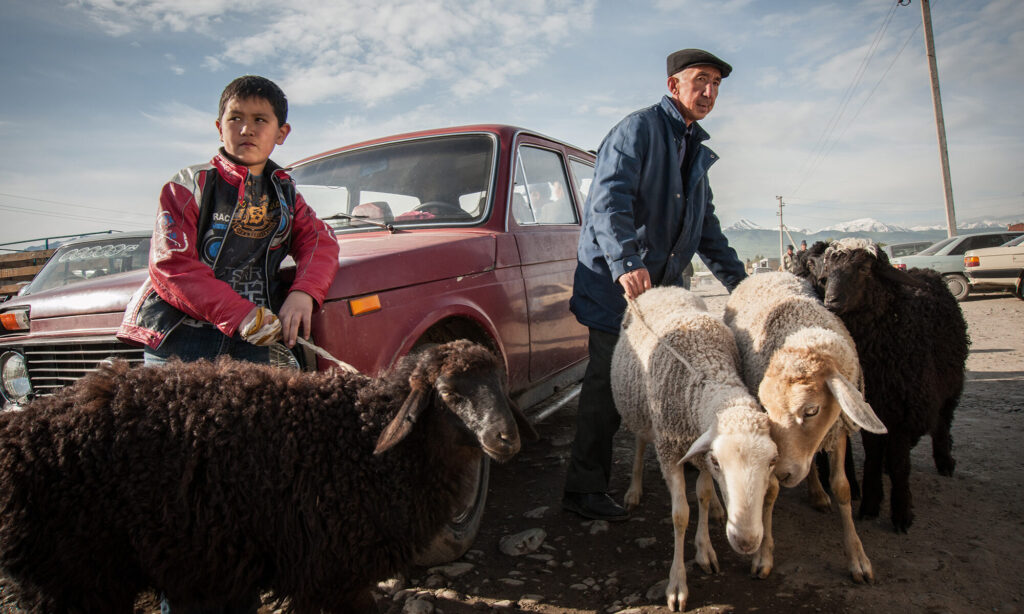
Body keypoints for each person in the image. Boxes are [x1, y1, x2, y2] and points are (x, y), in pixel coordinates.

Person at [117, 75, 340, 613]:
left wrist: (305, 294)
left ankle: (251, 582)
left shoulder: (287, 194)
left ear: (281, 133)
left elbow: (321, 241)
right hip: (180, 337)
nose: (246, 129)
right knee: (181, 482)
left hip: (255, 335)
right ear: (218, 125)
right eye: (235, 118)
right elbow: (172, 267)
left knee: (265, 465)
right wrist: (239, 315)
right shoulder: (187, 184)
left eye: (260, 120)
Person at [564, 49, 747, 521]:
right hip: (615, 286)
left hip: (664, 292)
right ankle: (583, 490)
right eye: (700, 81)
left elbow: (706, 228)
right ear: (674, 86)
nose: (709, 93)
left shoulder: (694, 151)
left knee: (675, 381)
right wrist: (625, 259)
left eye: (716, 86)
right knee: (605, 385)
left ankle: (685, 467)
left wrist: (741, 284)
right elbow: (608, 200)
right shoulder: (638, 130)